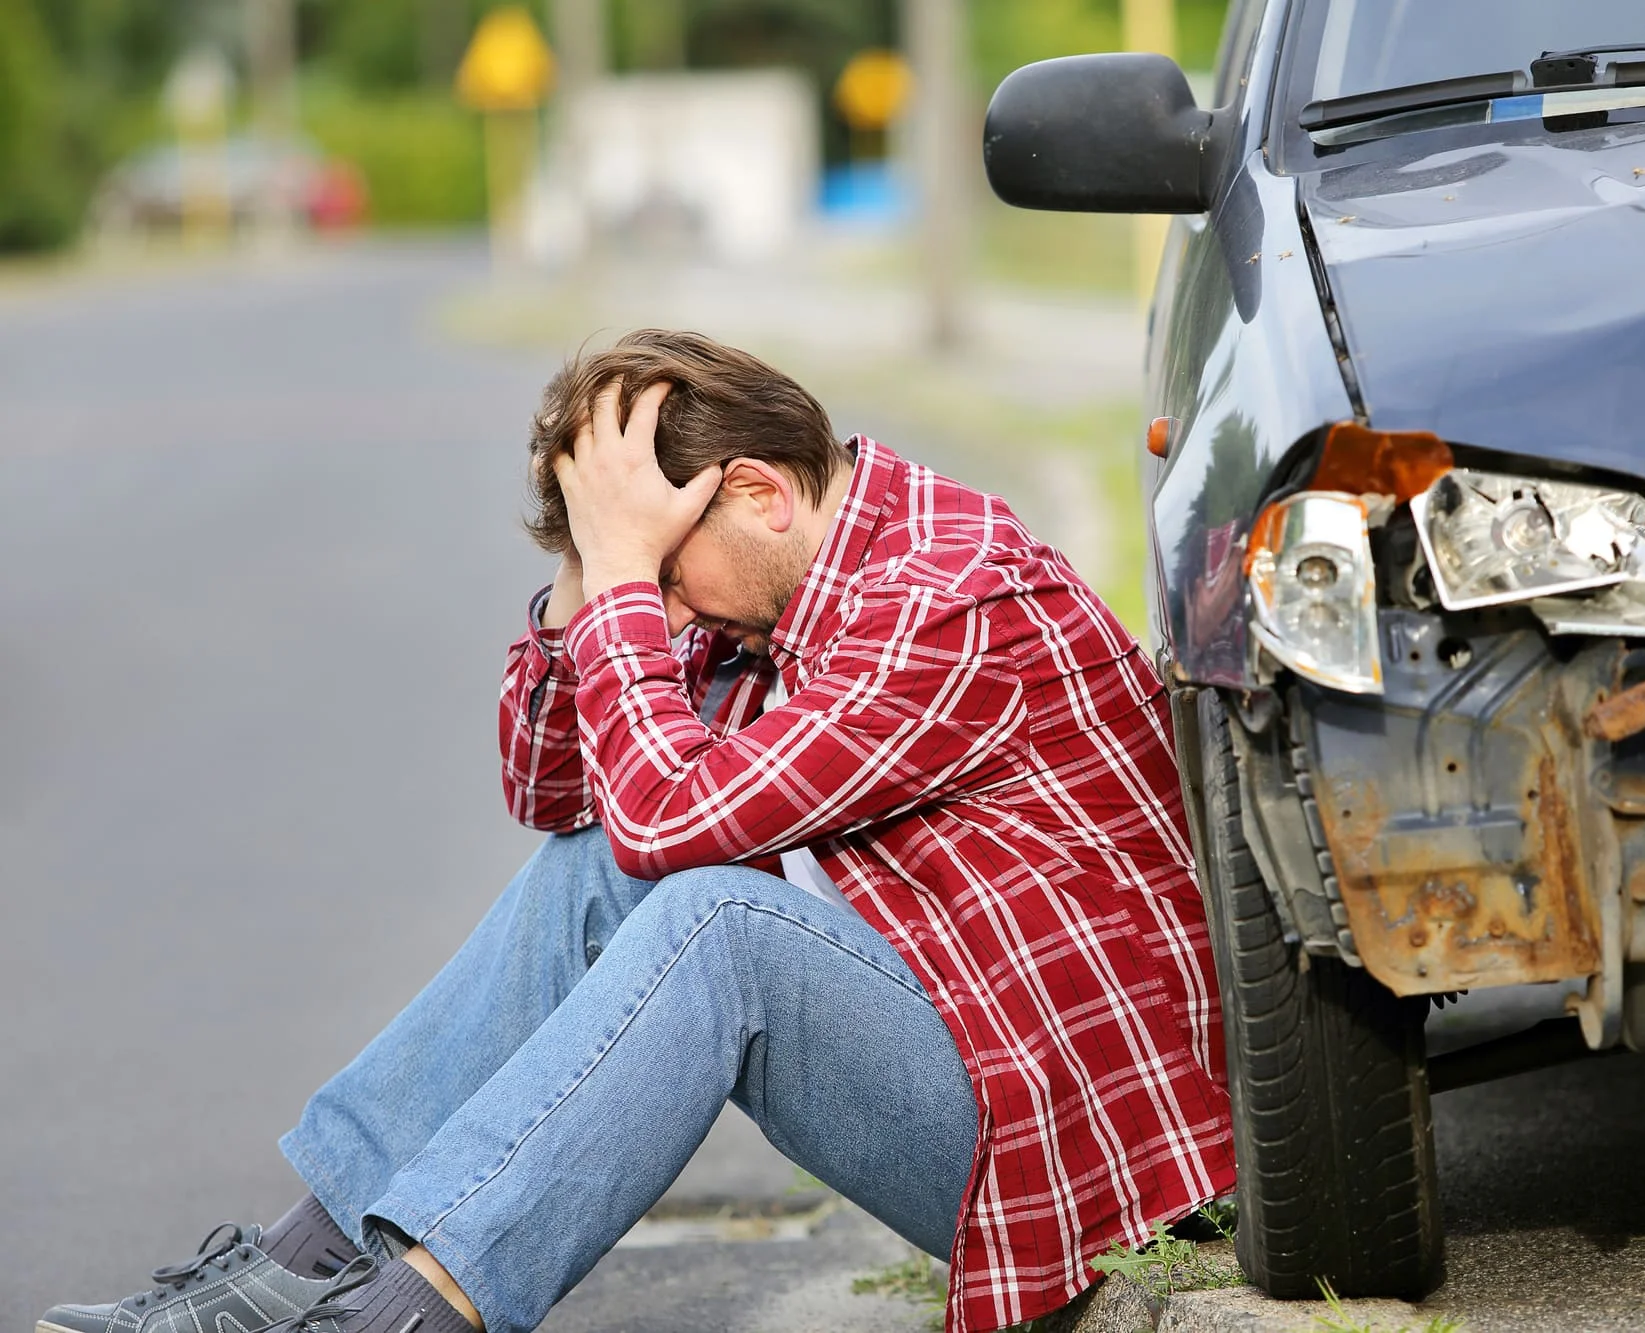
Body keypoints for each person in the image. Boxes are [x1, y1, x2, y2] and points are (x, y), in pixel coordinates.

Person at [37, 331, 1233, 1333]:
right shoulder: (774, 585)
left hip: (1110, 1172)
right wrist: (593, 572)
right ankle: (289, 1274)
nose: (656, 612)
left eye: (662, 567)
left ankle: (398, 1316)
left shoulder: (948, 595)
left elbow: (669, 817)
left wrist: (623, 579)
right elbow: (560, 792)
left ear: (758, 492)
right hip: (994, 1094)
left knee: (719, 923)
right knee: (596, 871)